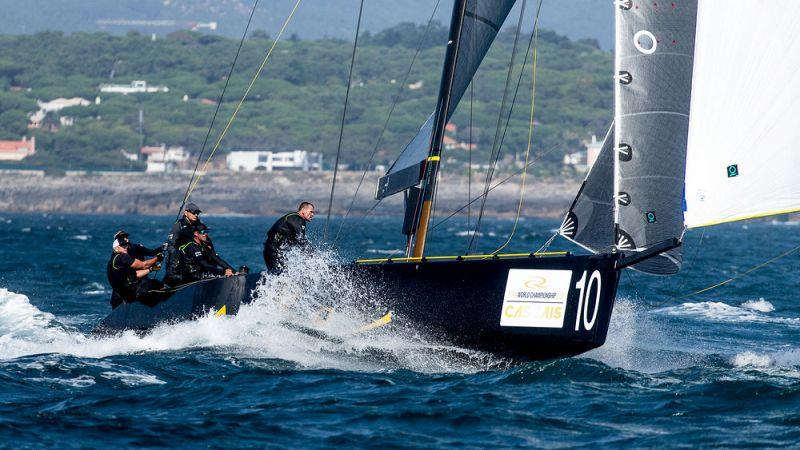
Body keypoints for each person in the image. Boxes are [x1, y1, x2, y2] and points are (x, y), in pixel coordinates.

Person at [106, 235, 163, 309]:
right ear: (116, 248)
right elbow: (144, 265)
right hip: (129, 293)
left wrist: (151, 269)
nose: (125, 247)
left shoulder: (112, 261)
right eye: (122, 245)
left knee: (152, 283)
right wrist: (158, 258)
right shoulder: (122, 257)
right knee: (156, 284)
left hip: (124, 294)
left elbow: (136, 274)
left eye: (126, 245)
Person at [263, 201, 314, 273]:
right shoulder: (297, 219)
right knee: (282, 274)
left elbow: (297, 241)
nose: (312, 214)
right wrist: (313, 257)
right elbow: (301, 240)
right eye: (311, 211)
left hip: (271, 251)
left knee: (280, 273)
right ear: (303, 210)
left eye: (313, 213)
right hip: (274, 252)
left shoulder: (293, 218)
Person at [164, 202, 203, 286]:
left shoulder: (198, 225)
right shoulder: (179, 225)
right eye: (193, 212)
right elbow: (170, 245)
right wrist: (179, 256)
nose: (196, 215)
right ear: (186, 213)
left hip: (193, 259)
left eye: (197, 213)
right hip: (178, 262)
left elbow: (204, 236)